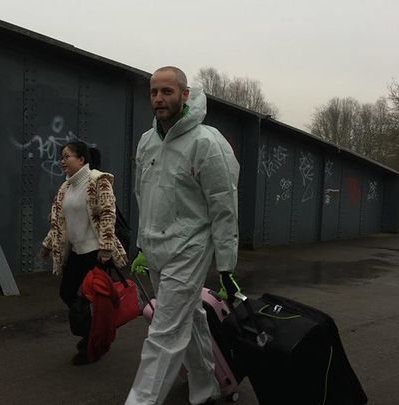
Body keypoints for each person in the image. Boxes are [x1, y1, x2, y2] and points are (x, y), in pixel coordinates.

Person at [125, 67, 240, 405]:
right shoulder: (148, 142)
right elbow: (142, 194)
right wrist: (143, 245)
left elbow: (224, 208)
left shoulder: (206, 142)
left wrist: (227, 267)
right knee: (190, 319)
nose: (159, 99)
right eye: (154, 92)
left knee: (164, 332)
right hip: (157, 246)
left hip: (189, 248)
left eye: (167, 92)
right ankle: (208, 389)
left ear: (185, 95)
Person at [40, 141, 128, 365]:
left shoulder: (98, 180)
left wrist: (106, 249)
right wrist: (48, 244)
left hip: (96, 252)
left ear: (81, 160)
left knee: (87, 300)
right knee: (67, 292)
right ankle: (95, 333)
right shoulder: (65, 188)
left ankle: (92, 345)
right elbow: (60, 223)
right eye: (62, 156)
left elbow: (109, 214)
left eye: (67, 156)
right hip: (77, 251)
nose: (62, 161)